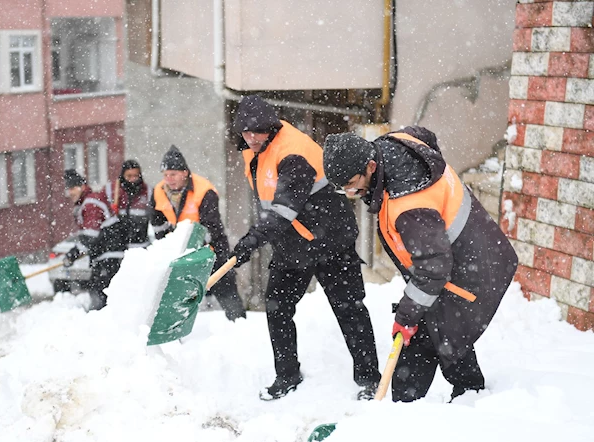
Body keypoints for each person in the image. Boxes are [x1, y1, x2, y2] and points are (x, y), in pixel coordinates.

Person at [322, 127, 518, 402]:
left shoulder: (410, 206)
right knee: (443, 331)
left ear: (370, 165)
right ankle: (466, 395)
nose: (351, 192)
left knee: (435, 331)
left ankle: (415, 408)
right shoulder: (393, 144)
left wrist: (406, 316)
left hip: (473, 271)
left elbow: (433, 269)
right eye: (343, 188)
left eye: (352, 183)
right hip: (476, 251)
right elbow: (425, 135)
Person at [229, 94, 381, 401]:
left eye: (257, 131)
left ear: (270, 127)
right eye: (245, 132)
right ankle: (287, 375)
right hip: (293, 245)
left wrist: (251, 242)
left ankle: (369, 379)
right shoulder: (253, 150)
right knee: (277, 308)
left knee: (349, 309)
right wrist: (256, 239)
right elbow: (272, 203)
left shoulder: (293, 154)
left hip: (331, 241)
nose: (251, 137)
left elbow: (284, 209)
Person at [149, 145, 246, 321]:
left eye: (173, 174)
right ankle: (175, 331)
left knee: (225, 289)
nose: (168, 179)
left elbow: (212, 228)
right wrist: (166, 247)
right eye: (165, 175)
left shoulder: (204, 191)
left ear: (185, 173)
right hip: (180, 251)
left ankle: (238, 325)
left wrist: (196, 250)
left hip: (212, 249)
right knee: (174, 294)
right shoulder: (158, 191)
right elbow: (157, 225)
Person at [63, 169, 126, 311]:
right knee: (100, 292)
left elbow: (90, 235)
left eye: (73, 188)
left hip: (110, 257)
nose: (70, 192)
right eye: (69, 189)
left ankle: (103, 324)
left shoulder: (91, 203)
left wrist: (73, 254)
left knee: (101, 295)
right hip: (106, 256)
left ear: (83, 187)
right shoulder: (88, 202)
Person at [105, 160, 151, 249]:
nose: (133, 179)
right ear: (123, 176)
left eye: (136, 176)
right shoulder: (113, 191)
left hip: (141, 246)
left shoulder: (148, 192)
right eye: (129, 176)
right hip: (119, 247)